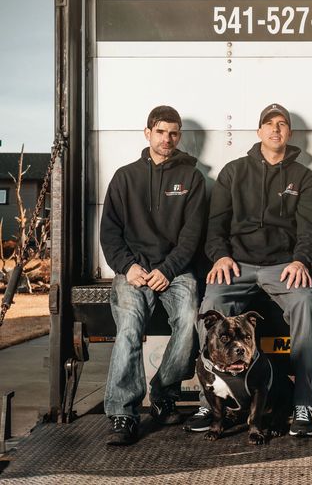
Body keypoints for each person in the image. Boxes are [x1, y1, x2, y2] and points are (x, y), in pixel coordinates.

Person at [188, 103, 312, 437]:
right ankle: (213, 395)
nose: (276, 129)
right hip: (238, 265)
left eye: (282, 124)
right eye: (269, 124)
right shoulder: (234, 172)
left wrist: (301, 260)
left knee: (306, 304)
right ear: (259, 131)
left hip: (283, 266)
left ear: (289, 133)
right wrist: (220, 256)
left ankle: (304, 402)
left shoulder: (304, 178)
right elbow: (215, 225)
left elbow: (310, 231)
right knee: (211, 308)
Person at [100, 105, 207, 445]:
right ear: (148, 133)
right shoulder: (124, 177)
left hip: (176, 271)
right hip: (133, 270)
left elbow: (192, 236)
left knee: (191, 320)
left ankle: (164, 395)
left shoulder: (192, 178)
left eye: (173, 133)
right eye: (161, 132)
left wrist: (168, 269)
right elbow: (109, 233)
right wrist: (128, 266)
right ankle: (123, 413)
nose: (167, 139)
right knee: (129, 326)